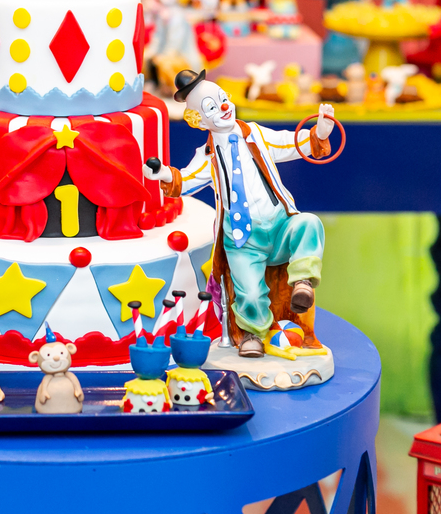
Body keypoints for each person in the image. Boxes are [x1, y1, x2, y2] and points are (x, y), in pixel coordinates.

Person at [143, 69, 339, 357]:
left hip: (279, 225)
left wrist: (318, 134)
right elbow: (185, 180)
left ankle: (302, 282)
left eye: (223, 99)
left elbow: (291, 143)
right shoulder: (207, 155)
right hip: (242, 238)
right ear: (199, 120)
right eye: (211, 107)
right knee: (248, 290)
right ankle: (253, 334)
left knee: (308, 224)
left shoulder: (257, 134)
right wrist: (162, 173)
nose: (223, 107)